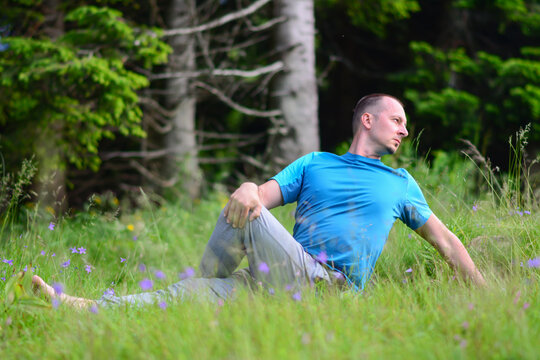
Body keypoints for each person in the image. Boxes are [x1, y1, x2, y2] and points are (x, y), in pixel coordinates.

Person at [32, 93, 486, 309]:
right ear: (368, 119)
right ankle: (84, 308)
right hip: (277, 276)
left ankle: (211, 286)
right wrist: (251, 187)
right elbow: (258, 199)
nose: (405, 130)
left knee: (244, 213)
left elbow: (447, 242)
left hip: (329, 288)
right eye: (398, 120)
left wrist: (485, 294)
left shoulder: (401, 183)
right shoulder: (314, 164)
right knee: (184, 293)